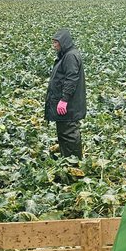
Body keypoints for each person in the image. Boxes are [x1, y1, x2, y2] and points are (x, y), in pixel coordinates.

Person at [46, 29, 86, 159]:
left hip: (69, 106)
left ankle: (74, 163)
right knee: (64, 133)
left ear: (64, 42)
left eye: (56, 42)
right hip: (65, 105)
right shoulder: (66, 55)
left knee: (69, 134)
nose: (54, 45)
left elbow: (71, 78)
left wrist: (64, 100)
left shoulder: (70, 56)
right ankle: (67, 161)